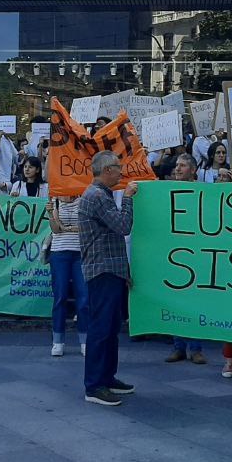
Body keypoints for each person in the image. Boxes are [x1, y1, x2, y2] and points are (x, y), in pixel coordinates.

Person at [80, 152, 138, 406]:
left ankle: (107, 377)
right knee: (101, 329)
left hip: (110, 269)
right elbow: (123, 226)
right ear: (106, 170)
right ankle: (94, 386)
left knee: (110, 328)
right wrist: (127, 199)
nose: (122, 172)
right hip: (102, 270)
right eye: (118, 167)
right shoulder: (96, 196)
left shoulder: (99, 194)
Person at [161, 155, 207, 365]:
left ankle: (195, 348)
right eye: (177, 165)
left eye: (182, 165)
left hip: (196, 253)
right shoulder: (164, 191)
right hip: (173, 252)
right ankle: (178, 346)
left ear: (193, 169)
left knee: (195, 301)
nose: (177, 169)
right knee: (176, 301)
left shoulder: (203, 190)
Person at [47, 174, 89, 360]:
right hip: (59, 251)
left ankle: (85, 340)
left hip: (81, 252)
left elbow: (86, 227)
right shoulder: (55, 199)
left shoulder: (84, 198)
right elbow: (56, 229)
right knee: (60, 296)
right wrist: (50, 213)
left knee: (84, 298)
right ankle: (58, 341)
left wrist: (68, 229)